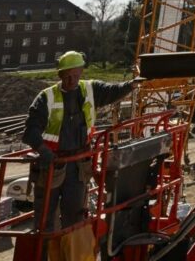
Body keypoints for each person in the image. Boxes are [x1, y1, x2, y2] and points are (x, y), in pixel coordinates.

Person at [22, 50, 134, 232]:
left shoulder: (89, 90)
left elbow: (112, 91)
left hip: (79, 166)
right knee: (45, 219)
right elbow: (30, 131)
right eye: (67, 76)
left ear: (82, 72)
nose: (72, 80)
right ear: (60, 75)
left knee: (74, 217)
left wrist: (132, 85)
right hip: (52, 165)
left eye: (76, 75)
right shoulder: (46, 98)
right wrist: (43, 150)